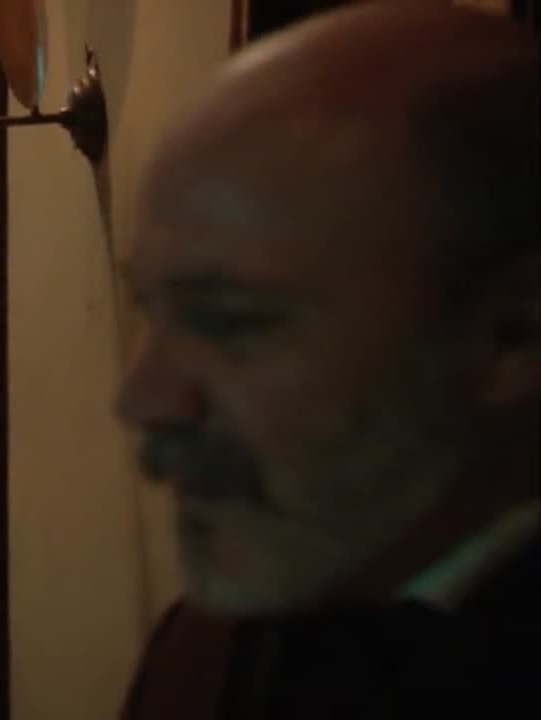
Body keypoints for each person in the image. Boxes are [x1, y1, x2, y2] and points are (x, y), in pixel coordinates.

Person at [115, 3, 538, 718]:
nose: (143, 402)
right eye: (153, 314)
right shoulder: (200, 661)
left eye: (229, 321)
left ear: (511, 335)